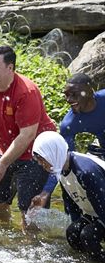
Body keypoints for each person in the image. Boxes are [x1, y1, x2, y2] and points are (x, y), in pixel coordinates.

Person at [0, 45, 56, 232]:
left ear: (10, 68)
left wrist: (2, 164)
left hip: (36, 156)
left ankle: (31, 250)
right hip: (5, 150)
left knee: (30, 214)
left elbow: (27, 135)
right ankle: (7, 239)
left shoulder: (26, 91)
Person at [30, 72, 105, 208]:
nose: (69, 99)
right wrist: (46, 192)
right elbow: (61, 161)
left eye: (74, 94)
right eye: (66, 95)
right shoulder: (69, 124)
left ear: (89, 91)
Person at [32, 131, 105, 262]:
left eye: (43, 160)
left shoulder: (85, 171)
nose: (42, 165)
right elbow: (71, 204)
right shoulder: (62, 169)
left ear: (53, 153)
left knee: (89, 236)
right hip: (97, 212)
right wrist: (76, 222)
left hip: (103, 210)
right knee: (72, 233)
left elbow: (102, 204)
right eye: (40, 161)